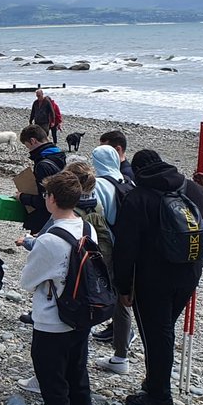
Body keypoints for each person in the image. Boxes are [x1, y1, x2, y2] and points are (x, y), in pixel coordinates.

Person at [114, 150, 203, 405]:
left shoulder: (137, 197)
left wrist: (123, 287)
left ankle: (159, 396)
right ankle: (155, 382)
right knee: (163, 331)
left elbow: (125, 248)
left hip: (152, 279)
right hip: (189, 274)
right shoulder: (193, 189)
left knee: (157, 335)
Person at [19, 172, 96, 405]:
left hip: (53, 321)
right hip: (81, 317)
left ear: (51, 199)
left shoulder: (50, 239)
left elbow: (28, 280)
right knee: (78, 383)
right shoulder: (86, 227)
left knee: (55, 391)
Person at [90, 145, 136, 358]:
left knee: (95, 293)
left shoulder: (99, 184)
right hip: (127, 246)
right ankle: (121, 353)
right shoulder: (128, 181)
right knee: (123, 300)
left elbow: (94, 215)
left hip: (105, 247)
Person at [18, 125, 67, 234]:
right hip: (63, 214)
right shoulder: (61, 156)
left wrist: (22, 197)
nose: (29, 150)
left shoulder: (42, 165)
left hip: (45, 219)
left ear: (32, 141)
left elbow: (43, 199)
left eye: (27, 146)